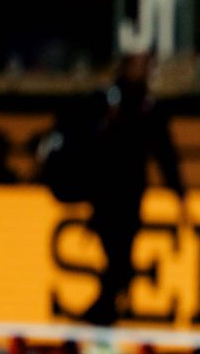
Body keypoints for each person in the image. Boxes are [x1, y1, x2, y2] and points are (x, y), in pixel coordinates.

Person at [75, 53, 186, 325]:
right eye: (141, 66)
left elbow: (165, 153)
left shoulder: (150, 107)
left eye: (148, 67)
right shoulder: (104, 100)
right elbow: (82, 141)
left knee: (122, 251)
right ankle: (106, 304)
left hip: (131, 189)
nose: (146, 72)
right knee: (112, 249)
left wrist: (178, 191)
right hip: (103, 188)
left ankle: (106, 305)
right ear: (124, 68)